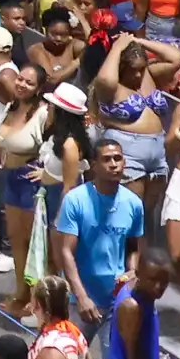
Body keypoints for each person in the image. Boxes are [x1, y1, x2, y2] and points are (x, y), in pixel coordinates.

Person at [50, 137, 145, 329]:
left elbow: (133, 246)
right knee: (72, 348)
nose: (114, 164)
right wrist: (81, 297)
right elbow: (66, 252)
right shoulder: (75, 200)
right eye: (107, 159)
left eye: (117, 158)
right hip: (80, 300)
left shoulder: (134, 203)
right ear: (94, 166)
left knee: (115, 350)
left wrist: (132, 273)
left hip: (117, 299)